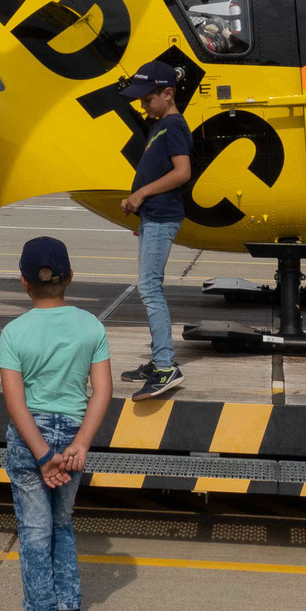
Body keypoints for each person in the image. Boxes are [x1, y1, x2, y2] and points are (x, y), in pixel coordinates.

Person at [0, 237, 113, 611]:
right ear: (71, 278)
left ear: (24, 282)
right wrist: (80, 443)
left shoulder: (14, 332)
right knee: (62, 524)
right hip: (73, 436)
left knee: (34, 530)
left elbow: (15, 401)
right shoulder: (91, 326)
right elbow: (102, 391)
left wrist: (43, 455)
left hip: (34, 439)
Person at [114, 60, 192, 401]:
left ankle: (165, 367)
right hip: (153, 217)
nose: (143, 105)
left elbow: (182, 172)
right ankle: (158, 359)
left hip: (162, 217)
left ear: (167, 93)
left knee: (149, 289)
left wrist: (143, 193)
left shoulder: (173, 126)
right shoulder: (160, 124)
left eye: (147, 99)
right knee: (148, 288)